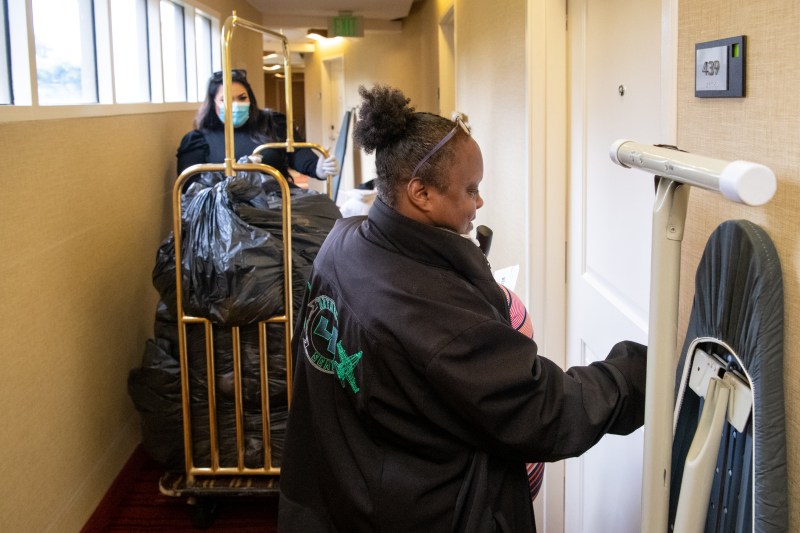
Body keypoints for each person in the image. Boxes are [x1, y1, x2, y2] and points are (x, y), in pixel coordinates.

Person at [277, 84, 647, 532]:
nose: (479, 201)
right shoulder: (433, 315)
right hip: (421, 508)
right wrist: (642, 372)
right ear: (421, 193)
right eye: (471, 189)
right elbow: (544, 410)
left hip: (347, 485)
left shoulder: (343, 241)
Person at [176, 69, 338, 185]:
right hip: (226, 213)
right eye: (227, 100)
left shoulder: (274, 124)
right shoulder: (199, 140)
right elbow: (190, 185)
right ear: (213, 103)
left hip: (278, 207)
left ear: (250, 99)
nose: (236, 104)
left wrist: (319, 169)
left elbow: (300, 154)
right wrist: (237, 174)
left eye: (242, 98)